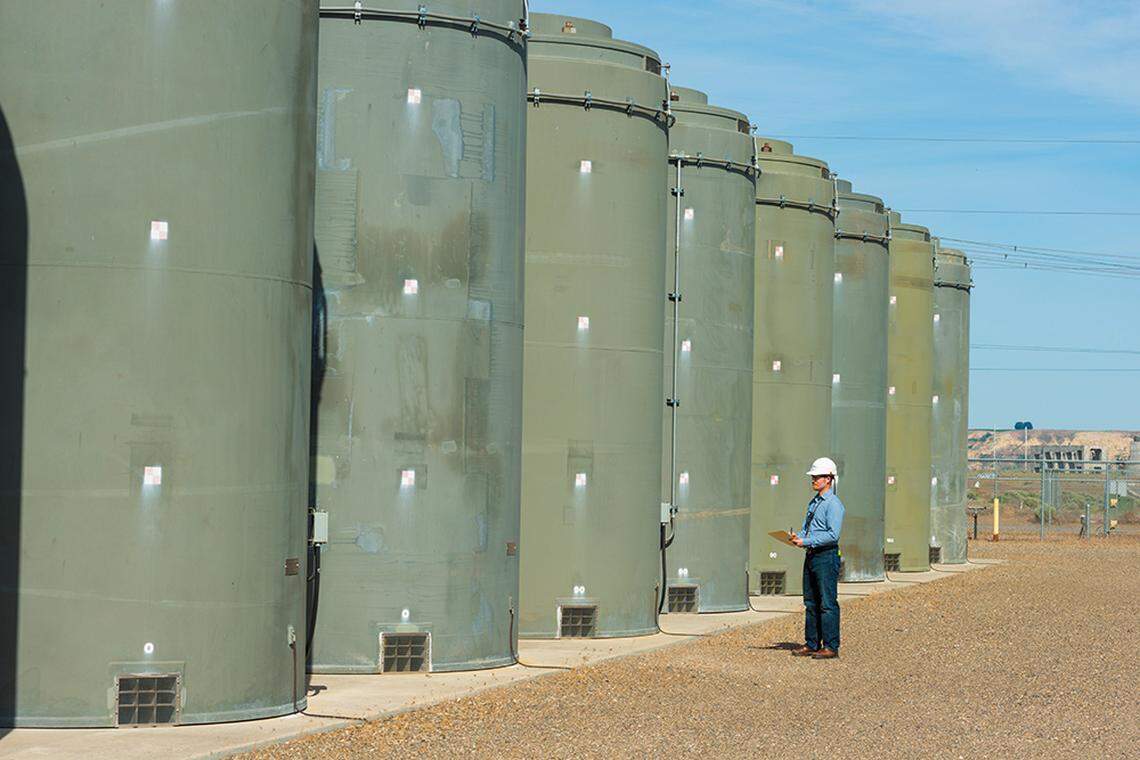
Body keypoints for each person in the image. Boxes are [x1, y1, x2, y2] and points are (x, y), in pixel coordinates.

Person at [790, 457, 845, 659]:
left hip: (826, 556)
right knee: (811, 601)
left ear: (829, 478)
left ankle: (831, 646)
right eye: (813, 476)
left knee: (827, 603)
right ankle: (812, 643)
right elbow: (808, 529)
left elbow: (833, 534)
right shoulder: (813, 503)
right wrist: (798, 537)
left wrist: (805, 542)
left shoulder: (834, 505)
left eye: (817, 476)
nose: (813, 479)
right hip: (812, 555)